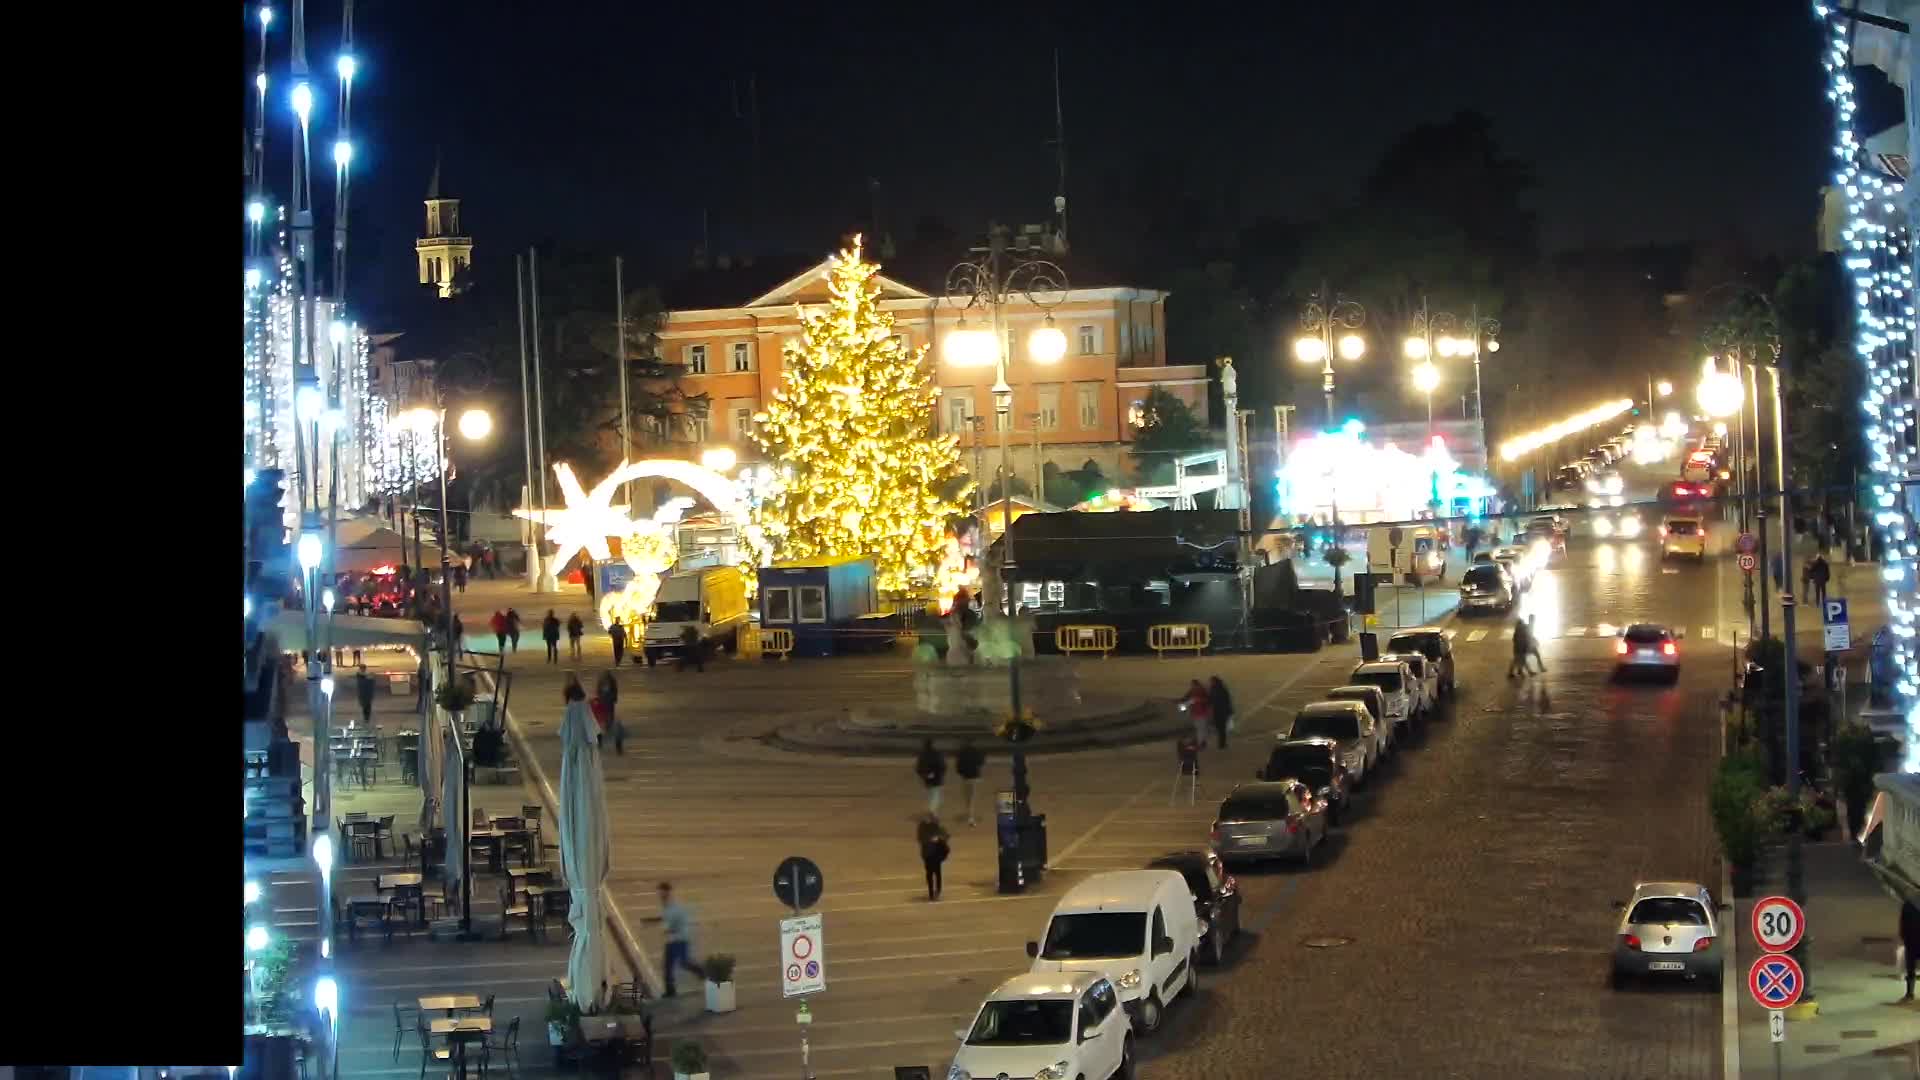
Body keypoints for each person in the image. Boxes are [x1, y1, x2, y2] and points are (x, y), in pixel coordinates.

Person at [654, 882, 705, 997]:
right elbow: (666, 918)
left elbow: (674, 923)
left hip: (680, 939)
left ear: (667, 892)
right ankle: (670, 990)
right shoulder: (666, 905)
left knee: (684, 962)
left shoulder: (673, 906)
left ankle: (702, 972)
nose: (660, 894)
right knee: (668, 965)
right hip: (672, 940)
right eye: (659, 892)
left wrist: (667, 929)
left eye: (662, 892)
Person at [917, 814, 951, 901]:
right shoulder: (924, 829)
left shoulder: (936, 829)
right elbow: (920, 839)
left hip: (934, 855)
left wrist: (939, 839)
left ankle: (936, 891)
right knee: (931, 874)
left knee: (935, 873)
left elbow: (946, 836)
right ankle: (932, 893)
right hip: (929, 855)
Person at [954, 739, 985, 826]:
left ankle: (969, 814)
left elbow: (958, 765)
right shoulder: (976, 751)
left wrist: (961, 773)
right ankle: (970, 815)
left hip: (965, 777)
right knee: (972, 796)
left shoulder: (962, 752)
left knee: (967, 796)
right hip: (974, 776)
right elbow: (981, 762)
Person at [915, 738, 947, 817]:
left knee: (930, 795)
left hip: (927, 777)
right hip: (937, 777)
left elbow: (918, 768)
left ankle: (932, 811)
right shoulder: (937, 754)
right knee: (936, 795)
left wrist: (922, 775)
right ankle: (932, 811)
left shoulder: (922, 755)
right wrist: (942, 774)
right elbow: (942, 766)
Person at [596, 670, 623, 754]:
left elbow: (613, 691)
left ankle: (601, 742)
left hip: (608, 704)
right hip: (605, 704)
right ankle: (600, 743)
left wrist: (613, 698)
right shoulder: (604, 682)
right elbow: (599, 691)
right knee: (603, 723)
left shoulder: (609, 682)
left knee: (607, 722)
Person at [1208, 675, 1234, 749]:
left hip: (1221, 711)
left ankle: (1222, 743)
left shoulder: (1219, 689)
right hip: (1218, 711)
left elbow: (1226, 700)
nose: (1211, 683)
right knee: (1220, 728)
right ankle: (1222, 743)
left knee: (1221, 728)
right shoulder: (1215, 689)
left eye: (1212, 681)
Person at [1183, 679, 1212, 747]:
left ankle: (1201, 742)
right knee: (1201, 728)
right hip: (1199, 713)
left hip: (1200, 713)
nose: (1192, 686)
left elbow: (1187, 701)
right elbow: (1187, 701)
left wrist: (1184, 707)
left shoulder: (1197, 692)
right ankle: (1202, 742)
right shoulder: (1198, 692)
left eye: (1193, 685)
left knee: (1200, 728)